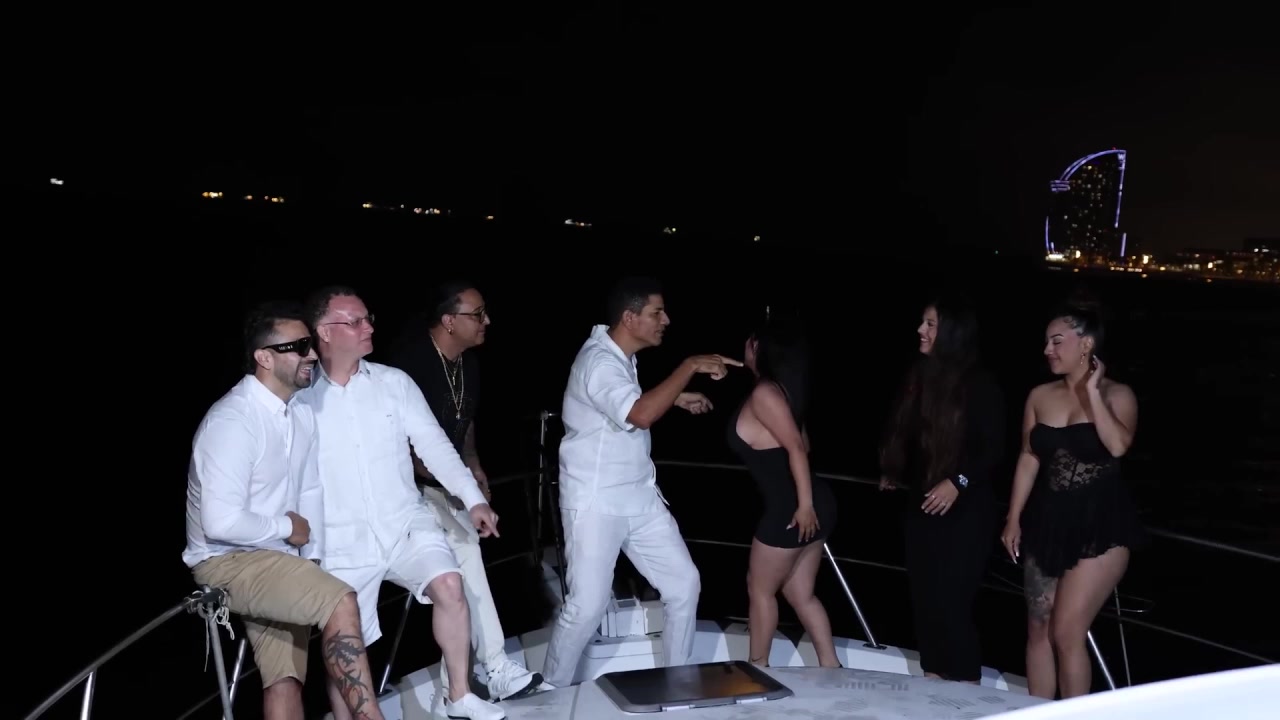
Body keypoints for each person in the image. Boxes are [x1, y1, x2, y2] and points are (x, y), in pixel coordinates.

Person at [298, 286, 505, 720]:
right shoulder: (300, 399)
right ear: (325, 332)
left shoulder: (394, 383)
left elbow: (435, 446)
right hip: (340, 540)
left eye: (368, 318)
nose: (369, 327)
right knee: (345, 644)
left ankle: (459, 696)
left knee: (450, 584)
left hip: (404, 523)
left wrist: (472, 500)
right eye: (355, 322)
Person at [183, 301, 386, 720]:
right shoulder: (233, 421)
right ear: (264, 358)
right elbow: (219, 521)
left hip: (277, 558)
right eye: (297, 347)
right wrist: (285, 528)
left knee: (285, 679)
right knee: (341, 601)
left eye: (309, 343)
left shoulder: (299, 411)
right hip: (227, 561)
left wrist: (310, 556)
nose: (311, 354)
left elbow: (308, 487)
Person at [540, 276, 741, 688]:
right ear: (630, 318)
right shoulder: (598, 361)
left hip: (639, 496)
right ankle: (549, 690)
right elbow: (640, 415)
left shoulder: (620, 356)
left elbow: (627, 401)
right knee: (587, 606)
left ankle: (677, 679)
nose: (666, 320)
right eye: (657, 313)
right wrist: (688, 367)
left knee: (683, 585)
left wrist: (675, 397)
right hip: (596, 502)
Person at [386, 281, 542, 701]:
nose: (486, 321)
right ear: (449, 321)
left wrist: (472, 467)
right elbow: (406, 446)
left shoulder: (468, 364)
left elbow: (464, 422)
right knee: (464, 550)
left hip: (444, 485)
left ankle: (458, 685)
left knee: (466, 553)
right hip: (406, 492)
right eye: (477, 314)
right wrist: (458, 487)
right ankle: (492, 667)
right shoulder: (409, 365)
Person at [1001, 300, 1143, 699]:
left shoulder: (1118, 395)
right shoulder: (1039, 395)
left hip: (1101, 527)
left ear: (1086, 344)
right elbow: (1028, 457)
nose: (1047, 349)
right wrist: (1013, 517)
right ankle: (1038, 711)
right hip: (1046, 522)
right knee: (1038, 628)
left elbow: (1118, 446)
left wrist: (1093, 392)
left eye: (1057, 341)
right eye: (1046, 341)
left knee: (1066, 632)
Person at [879, 296, 1005, 684]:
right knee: (924, 600)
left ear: (951, 331)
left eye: (930, 324)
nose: (921, 330)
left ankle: (968, 687)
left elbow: (993, 448)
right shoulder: (921, 374)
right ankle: (932, 680)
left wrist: (959, 481)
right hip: (922, 505)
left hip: (968, 511)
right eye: (923, 322)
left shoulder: (979, 382)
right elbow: (908, 434)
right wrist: (893, 469)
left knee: (953, 602)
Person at [726, 318, 840, 668]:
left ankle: (756, 669)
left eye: (750, 340)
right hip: (815, 502)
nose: (745, 345)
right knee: (799, 593)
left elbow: (797, 448)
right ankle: (831, 666)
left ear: (760, 348)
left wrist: (804, 506)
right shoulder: (784, 391)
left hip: (792, 508)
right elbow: (802, 444)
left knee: (759, 589)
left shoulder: (765, 394)